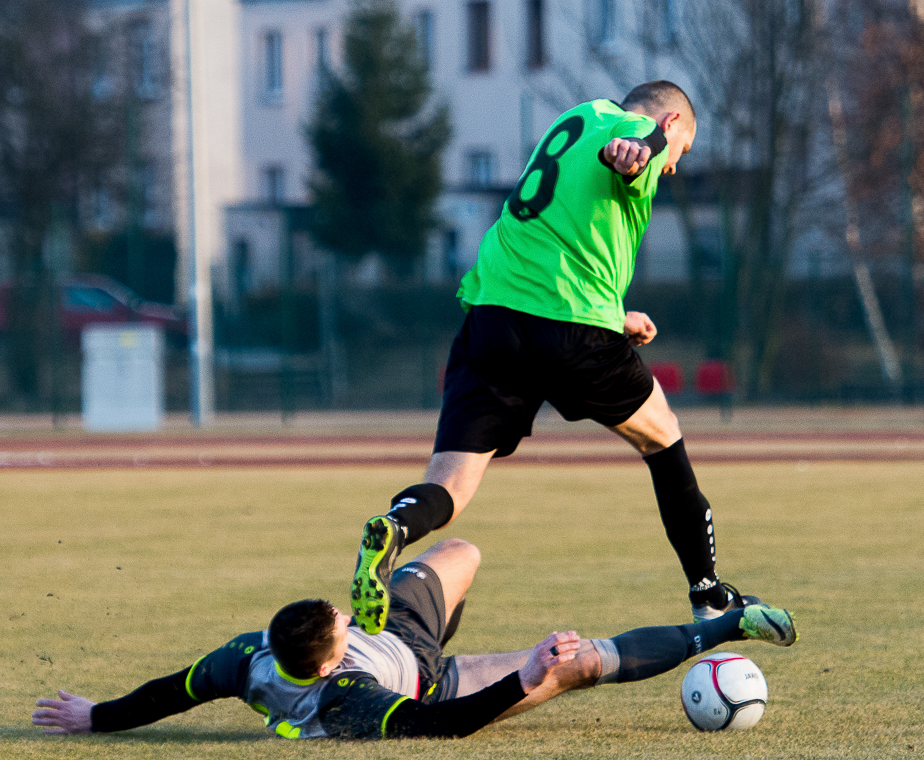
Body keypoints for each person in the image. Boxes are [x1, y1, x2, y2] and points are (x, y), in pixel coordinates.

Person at [352, 80, 757, 635]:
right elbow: (638, 152)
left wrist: (615, 314)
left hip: (493, 319)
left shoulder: (576, 119)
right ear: (671, 124)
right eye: (683, 150)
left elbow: (558, 240)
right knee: (663, 439)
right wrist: (640, 151)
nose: (675, 167)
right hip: (571, 330)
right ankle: (709, 594)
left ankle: (395, 527)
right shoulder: (640, 133)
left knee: (452, 484)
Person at [33, 538, 797, 741]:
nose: (340, 614)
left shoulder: (245, 657)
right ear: (328, 663)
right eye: (339, 621)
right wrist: (529, 674)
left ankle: (398, 563)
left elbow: (171, 691)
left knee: (462, 553)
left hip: (394, 630)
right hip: (427, 679)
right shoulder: (350, 700)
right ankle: (730, 623)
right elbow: (447, 725)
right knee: (580, 661)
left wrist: (97, 715)